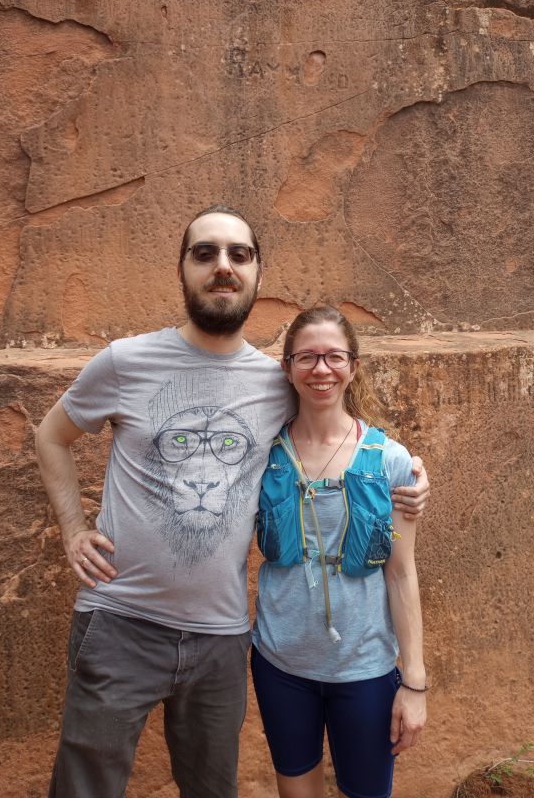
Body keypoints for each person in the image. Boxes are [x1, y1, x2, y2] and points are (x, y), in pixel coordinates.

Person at [35, 206, 429, 798]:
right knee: (85, 786)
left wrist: (409, 471)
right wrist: (71, 527)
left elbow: (336, 422)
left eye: (239, 255)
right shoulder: (125, 361)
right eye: (206, 253)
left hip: (221, 640)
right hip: (121, 621)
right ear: (182, 270)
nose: (223, 267)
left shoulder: (277, 381)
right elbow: (51, 435)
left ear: (258, 275)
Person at [252, 305, 427, 798]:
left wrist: (414, 682)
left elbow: (401, 574)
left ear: (353, 365)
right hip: (280, 662)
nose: (321, 369)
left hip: (365, 667)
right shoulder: (262, 456)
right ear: (287, 368)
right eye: (307, 357)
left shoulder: (390, 460)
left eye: (334, 356)